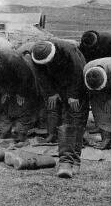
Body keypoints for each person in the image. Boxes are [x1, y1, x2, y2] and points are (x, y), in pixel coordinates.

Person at [31, 39, 89, 178]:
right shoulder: (37, 55)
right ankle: (66, 161)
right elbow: (41, 76)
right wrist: (51, 92)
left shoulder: (68, 51)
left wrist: (73, 95)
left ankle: (75, 161)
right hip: (57, 84)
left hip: (76, 85)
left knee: (76, 119)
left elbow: (77, 72)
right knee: (66, 121)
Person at [0, 47, 43, 142]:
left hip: (22, 82)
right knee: (4, 106)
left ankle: (21, 131)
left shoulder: (14, 60)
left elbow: (26, 78)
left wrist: (21, 93)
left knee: (23, 106)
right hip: (3, 84)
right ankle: (5, 129)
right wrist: (3, 91)